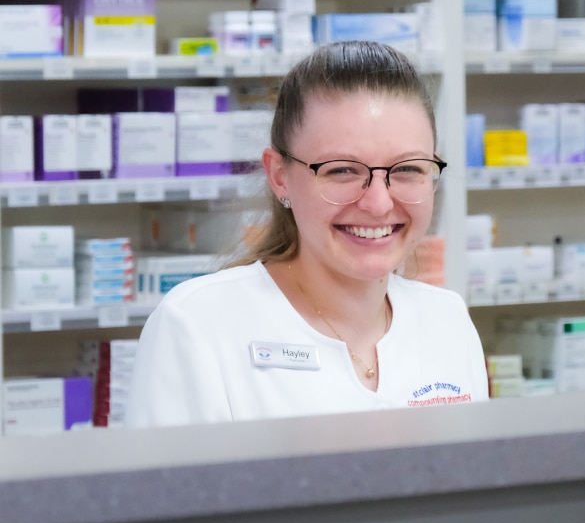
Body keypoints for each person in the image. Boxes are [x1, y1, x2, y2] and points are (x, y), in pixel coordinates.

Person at [124, 40, 488, 428]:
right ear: (279, 176)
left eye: (408, 169)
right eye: (342, 170)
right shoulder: (197, 326)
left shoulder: (447, 321)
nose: (379, 203)